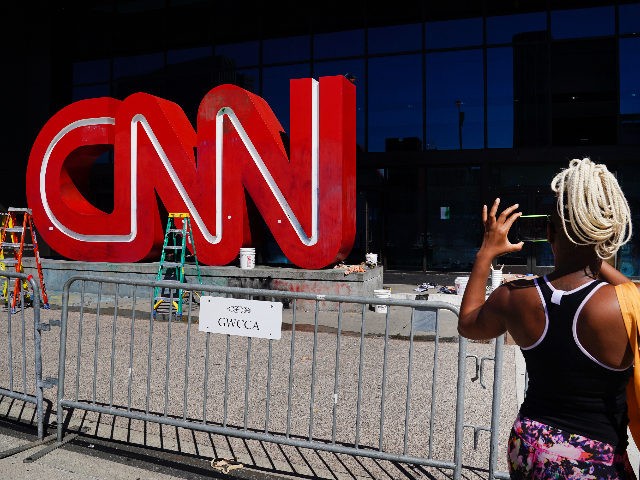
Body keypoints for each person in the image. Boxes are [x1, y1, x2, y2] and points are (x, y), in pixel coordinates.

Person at [458, 157, 638, 479]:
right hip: (593, 460)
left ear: (549, 232)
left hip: (530, 445)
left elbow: (468, 321)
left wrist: (486, 252)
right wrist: (595, 254)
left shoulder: (515, 297)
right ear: (604, 233)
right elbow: (631, 294)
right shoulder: (621, 305)